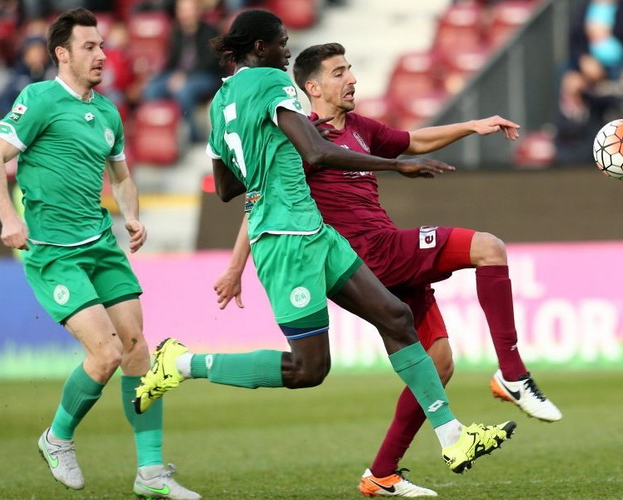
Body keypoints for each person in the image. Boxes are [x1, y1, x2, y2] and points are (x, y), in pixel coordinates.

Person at [134, 9, 516, 478]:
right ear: (260, 48)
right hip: (285, 240)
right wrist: (396, 166)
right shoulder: (273, 83)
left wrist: (270, 155)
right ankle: (182, 363)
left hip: (314, 231)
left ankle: (453, 438)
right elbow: (315, 150)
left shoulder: (219, 103)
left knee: (396, 317)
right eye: (281, 42)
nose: (286, 51)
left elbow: (228, 187)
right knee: (309, 370)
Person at [240, 42, 560, 497]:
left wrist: (472, 126)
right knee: (489, 248)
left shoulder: (360, 128)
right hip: (365, 255)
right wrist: (236, 266)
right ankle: (513, 374)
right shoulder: (301, 136)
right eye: (338, 72)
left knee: (439, 364)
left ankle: (382, 473)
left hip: (386, 253)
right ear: (312, 87)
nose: (352, 79)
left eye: (350, 69)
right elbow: (260, 202)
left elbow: (415, 141)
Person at [0, 9, 199, 499]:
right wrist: (9, 219)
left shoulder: (107, 112)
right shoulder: (39, 99)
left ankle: (150, 473)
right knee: (106, 354)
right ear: (62, 53)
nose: (101, 54)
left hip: (101, 244)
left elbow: (121, 176)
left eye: (102, 45)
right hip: (54, 253)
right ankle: (57, 438)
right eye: (89, 47)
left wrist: (132, 214)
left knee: (137, 348)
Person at [141, 0, 222, 142]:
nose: (186, 14)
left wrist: (185, 76)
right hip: (179, 75)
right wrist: (156, 75)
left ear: (198, 11)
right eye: (183, 10)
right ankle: (163, 136)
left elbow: (210, 62)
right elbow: (171, 61)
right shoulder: (176, 32)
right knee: (151, 89)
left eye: (190, 10)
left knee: (184, 91)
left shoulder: (211, 31)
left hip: (206, 76)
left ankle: (194, 137)